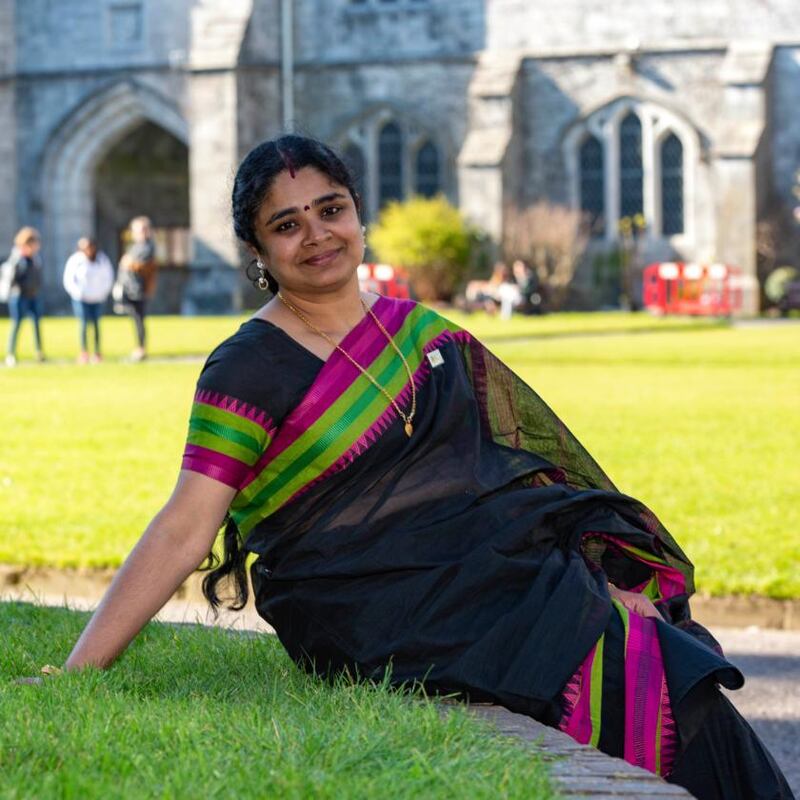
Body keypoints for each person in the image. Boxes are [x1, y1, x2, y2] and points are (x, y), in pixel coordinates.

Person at [56, 136, 791, 800]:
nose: (316, 235)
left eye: (330, 209)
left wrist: (600, 569)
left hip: (481, 581)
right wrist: (78, 671)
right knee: (618, 660)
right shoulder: (246, 366)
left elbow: (515, 471)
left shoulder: (420, 332)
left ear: (358, 214)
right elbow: (186, 525)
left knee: (666, 672)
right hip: (368, 614)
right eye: (287, 224)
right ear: (258, 251)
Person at [62, 237, 114, 364]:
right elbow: (68, 279)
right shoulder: (76, 260)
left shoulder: (102, 260)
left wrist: (102, 293)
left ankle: (97, 352)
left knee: (96, 324)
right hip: (81, 298)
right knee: (84, 324)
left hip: (97, 298)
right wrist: (77, 293)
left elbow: (108, 277)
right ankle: (84, 352)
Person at [1, 227, 46, 367]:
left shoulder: (36, 259)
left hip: (34, 295)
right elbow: (11, 279)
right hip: (20, 296)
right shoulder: (18, 259)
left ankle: (39, 352)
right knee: (17, 324)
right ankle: (11, 353)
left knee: (37, 324)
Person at [115, 216, 157, 362]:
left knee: (139, 319)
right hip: (130, 287)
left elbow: (144, 266)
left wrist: (129, 263)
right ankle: (139, 347)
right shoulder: (136, 246)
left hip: (139, 289)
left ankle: (141, 348)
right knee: (136, 318)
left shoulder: (148, 246)